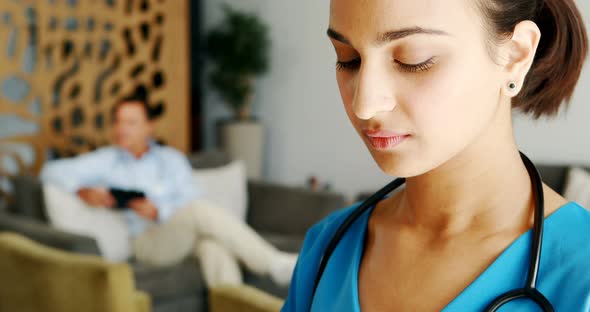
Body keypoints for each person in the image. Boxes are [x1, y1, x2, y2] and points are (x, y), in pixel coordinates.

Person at [283, 0, 589, 311]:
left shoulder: (582, 272)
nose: (365, 104)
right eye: (348, 59)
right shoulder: (327, 247)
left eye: (413, 60)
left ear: (516, 55)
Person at [41, 94, 297, 287]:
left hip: (181, 233)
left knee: (214, 249)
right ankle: (274, 264)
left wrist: (158, 210)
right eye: (118, 122)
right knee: (199, 213)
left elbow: (190, 197)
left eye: (130, 122)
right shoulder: (108, 160)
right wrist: (82, 190)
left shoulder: (171, 159)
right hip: (146, 242)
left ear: (148, 127)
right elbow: (50, 171)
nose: (122, 129)